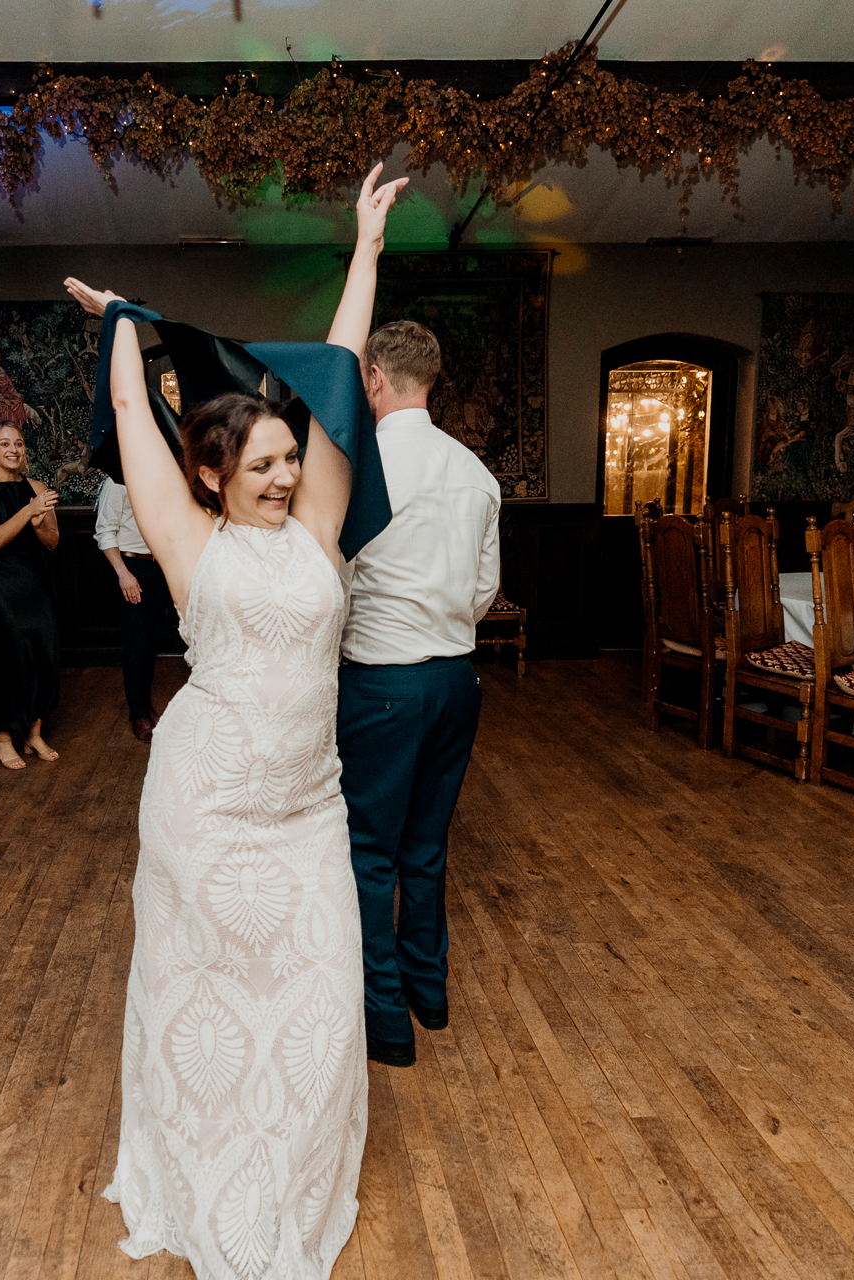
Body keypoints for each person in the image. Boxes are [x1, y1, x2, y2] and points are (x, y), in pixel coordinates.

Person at [63, 159, 404, 1280]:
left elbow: (343, 374)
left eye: (291, 458)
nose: (285, 472)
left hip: (306, 809)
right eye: (261, 462)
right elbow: (128, 407)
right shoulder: (187, 540)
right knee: (198, 1000)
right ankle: (203, 1164)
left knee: (317, 999)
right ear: (211, 472)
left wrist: (364, 251)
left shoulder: (315, 530)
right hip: (205, 808)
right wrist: (121, 322)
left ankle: (288, 1175)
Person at [338, 319, 502, 1067]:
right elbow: (484, 592)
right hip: (457, 680)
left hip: (382, 683)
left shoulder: (354, 467)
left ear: (373, 377)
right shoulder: (475, 471)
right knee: (426, 849)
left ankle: (387, 1021)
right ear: (428, 380)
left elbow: (331, 583)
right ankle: (428, 994)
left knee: (369, 853)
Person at [0, 421, 62, 769]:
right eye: (4, 443)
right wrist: (29, 511)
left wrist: (41, 523)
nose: (13, 449)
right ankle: (4, 738)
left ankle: (33, 732)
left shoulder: (36, 487)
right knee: (14, 658)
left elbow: (53, 542)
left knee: (46, 653)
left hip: (33, 580)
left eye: (18, 443)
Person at [94, 475, 173, 743]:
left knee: (152, 641)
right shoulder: (115, 482)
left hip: (158, 567)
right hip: (130, 568)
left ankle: (146, 705)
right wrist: (123, 574)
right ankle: (138, 714)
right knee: (137, 643)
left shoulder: (163, 477)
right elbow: (104, 531)